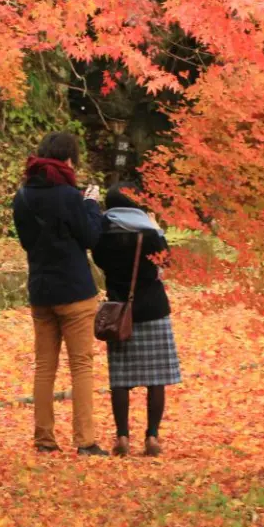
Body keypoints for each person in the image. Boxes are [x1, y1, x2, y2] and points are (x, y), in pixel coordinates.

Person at [11, 132, 106, 456]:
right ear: (68, 160)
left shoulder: (23, 196)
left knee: (44, 367)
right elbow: (91, 237)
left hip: (41, 290)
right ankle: (85, 440)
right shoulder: (69, 195)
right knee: (81, 365)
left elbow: (27, 242)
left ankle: (44, 439)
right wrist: (91, 205)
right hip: (75, 290)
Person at [91, 185, 182, 456]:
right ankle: (152, 436)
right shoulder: (149, 233)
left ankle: (122, 436)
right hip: (153, 310)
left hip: (120, 313)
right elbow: (166, 261)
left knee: (120, 378)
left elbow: (100, 261)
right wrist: (157, 228)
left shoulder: (102, 235)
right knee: (156, 378)